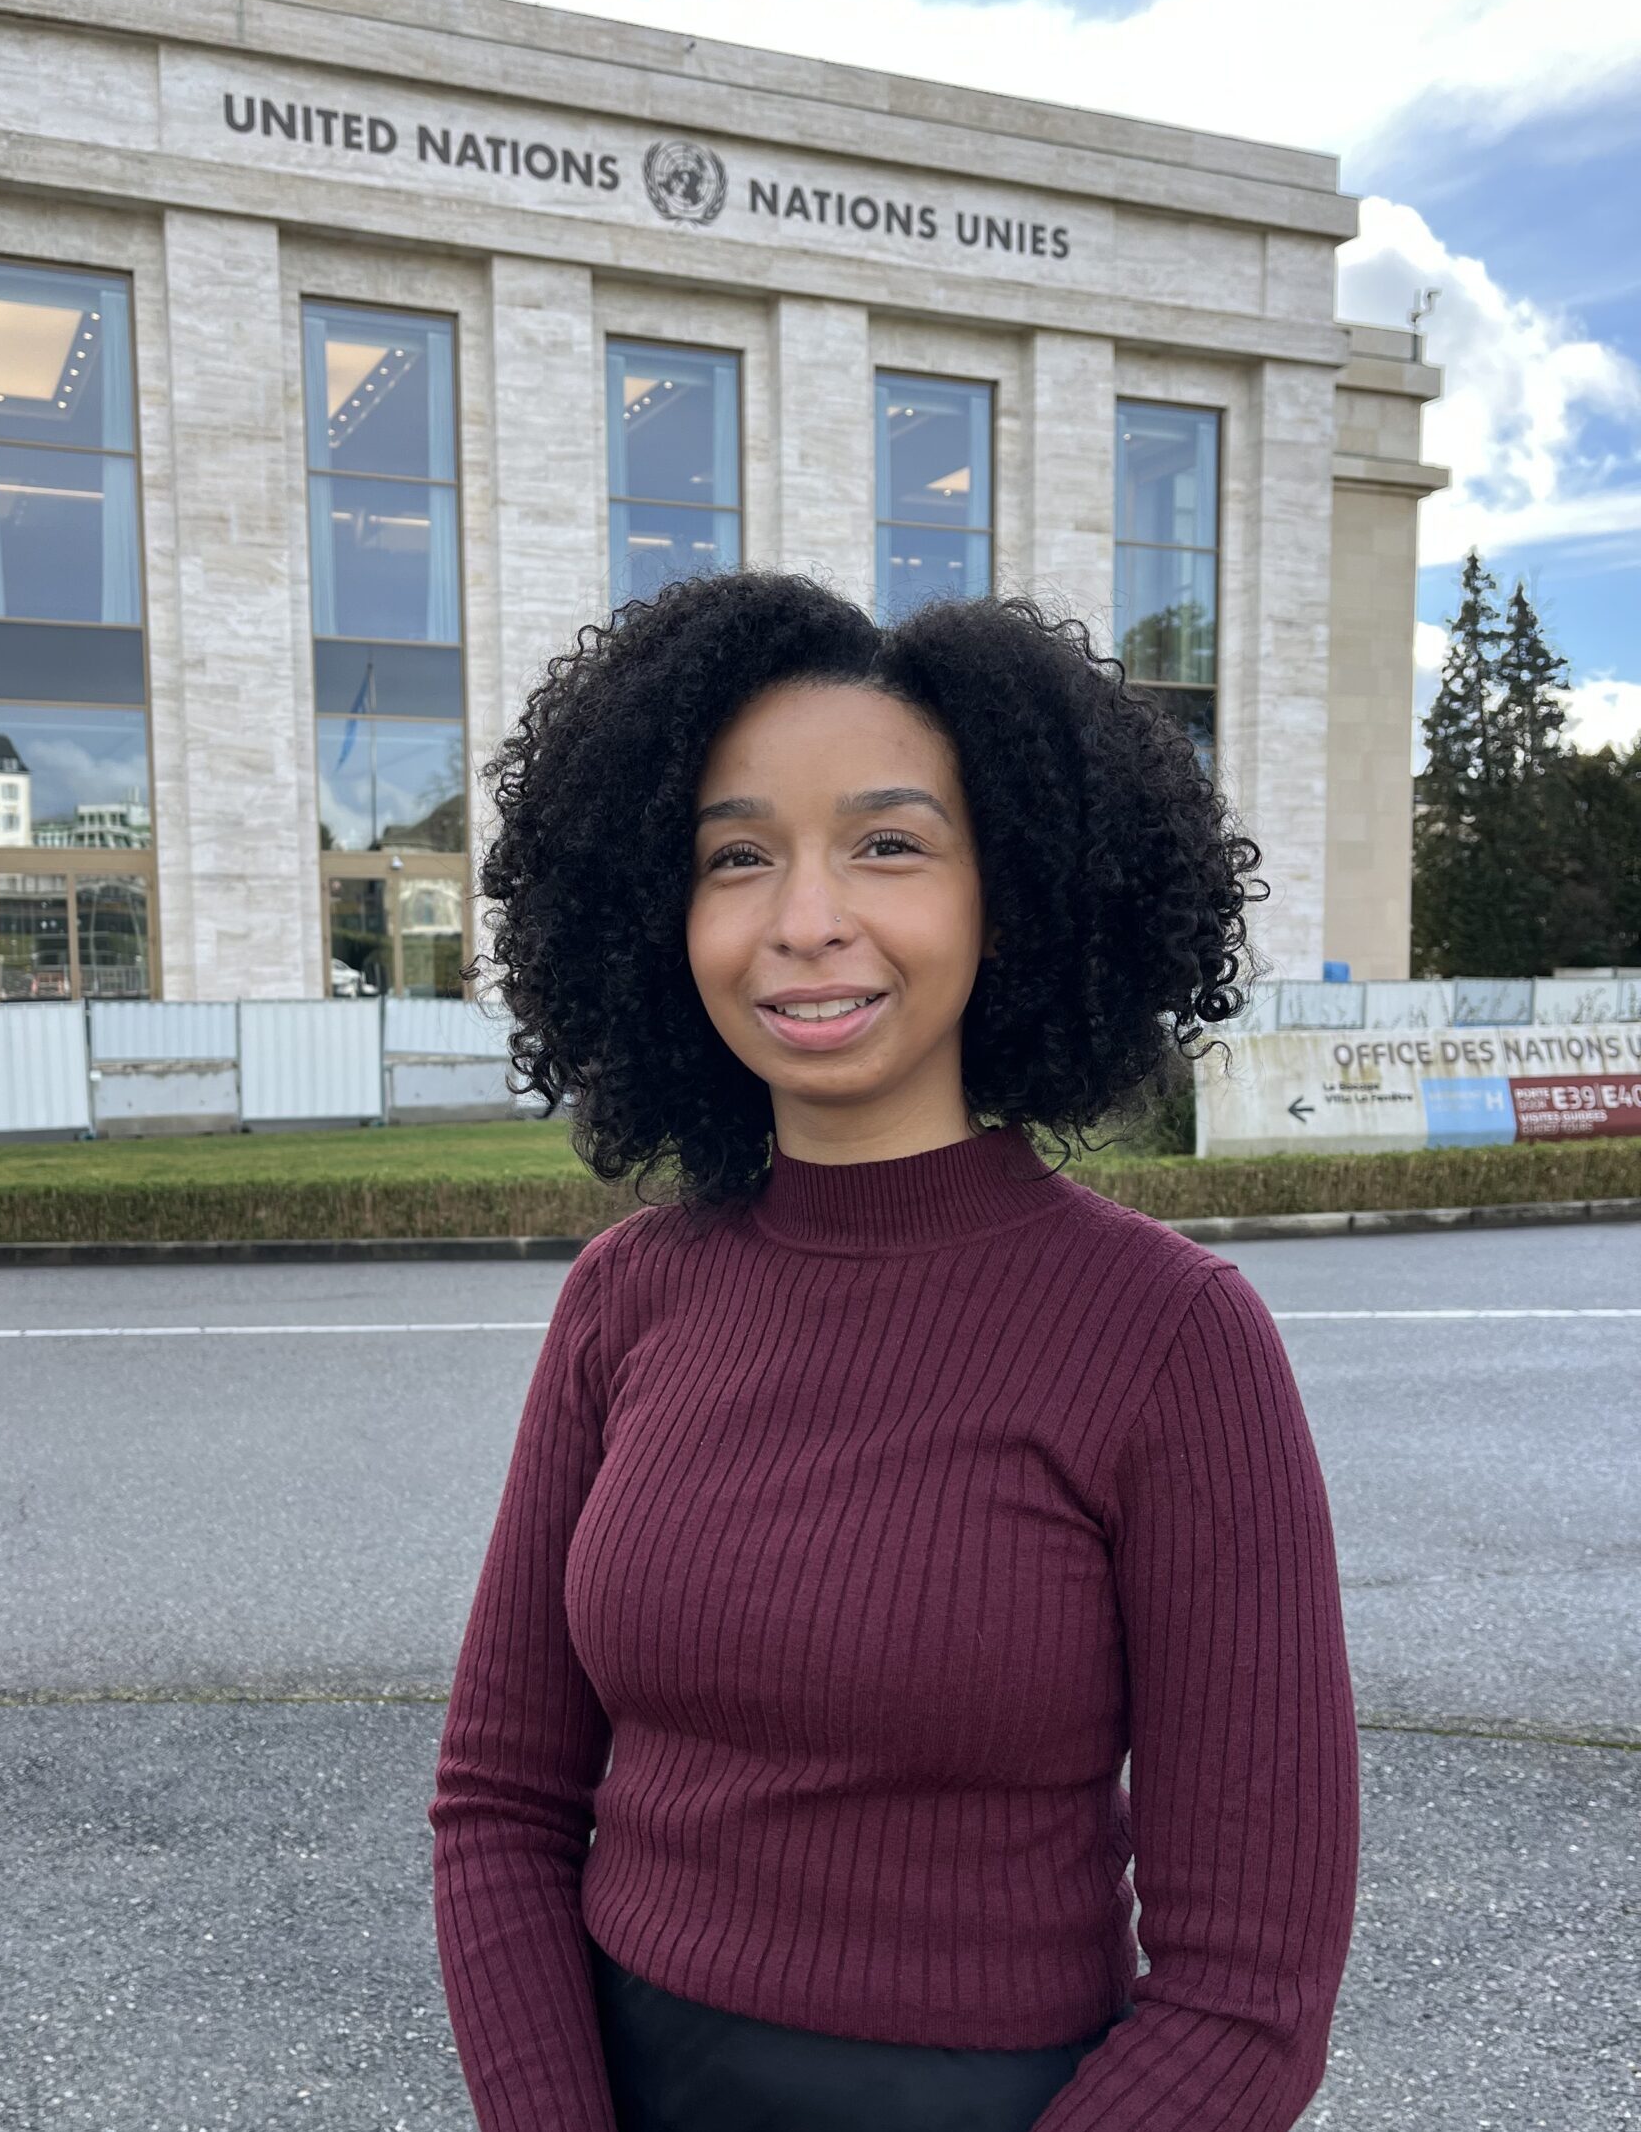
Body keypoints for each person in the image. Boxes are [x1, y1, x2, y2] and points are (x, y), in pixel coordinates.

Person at [428, 573, 1359, 2132]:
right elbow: (500, 1808)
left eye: (889, 843)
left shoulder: (1173, 1338)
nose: (804, 919)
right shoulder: (625, 1300)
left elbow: (1245, 1992)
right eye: (738, 855)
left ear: (1021, 891)